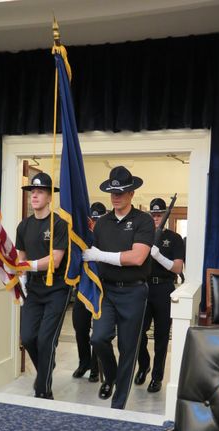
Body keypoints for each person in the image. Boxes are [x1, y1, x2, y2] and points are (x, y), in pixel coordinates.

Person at [83, 166, 155, 409]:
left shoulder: (143, 221)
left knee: (128, 347)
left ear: (132, 193)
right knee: (99, 338)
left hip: (134, 291)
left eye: (121, 192)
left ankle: (119, 403)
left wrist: (100, 254)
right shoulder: (101, 223)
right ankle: (111, 376)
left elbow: (137, 258)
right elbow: (91, 255)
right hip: (107, 291)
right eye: (113, 193)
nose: (116, 197)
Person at [16, 172, 71, 400]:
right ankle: (46, 368)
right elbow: (21, 259)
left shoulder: (59, 224)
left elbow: (55, 260)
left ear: (50, 197)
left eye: (39, 192)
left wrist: (25, 265)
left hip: (57, 288)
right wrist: (19, 276)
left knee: (45, 339)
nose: (34, 196)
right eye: (32, 192)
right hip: (35, 289)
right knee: (28, 337)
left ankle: (43, 390)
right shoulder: (24, 226)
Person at [134, 197, 184, 393]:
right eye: (152, 215)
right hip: (143, 288)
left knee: (162, 336)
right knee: (137, 332)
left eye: (159, 215)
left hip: (164, 288)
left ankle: (157, 376)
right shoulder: (141, 236)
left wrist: (158, 255)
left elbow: (178, 267)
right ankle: (144, 364)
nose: (156, 218)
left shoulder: (174, 238)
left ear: (165, 215)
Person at [72, 202, 107, 382]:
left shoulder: (108, 236)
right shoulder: (83, 237)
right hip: (83, 289)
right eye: (92, 219)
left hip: (102, 289)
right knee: (80, 327)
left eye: (98, 219)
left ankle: (95, 367)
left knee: (98, 333)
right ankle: (84, 362)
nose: (94, 223)